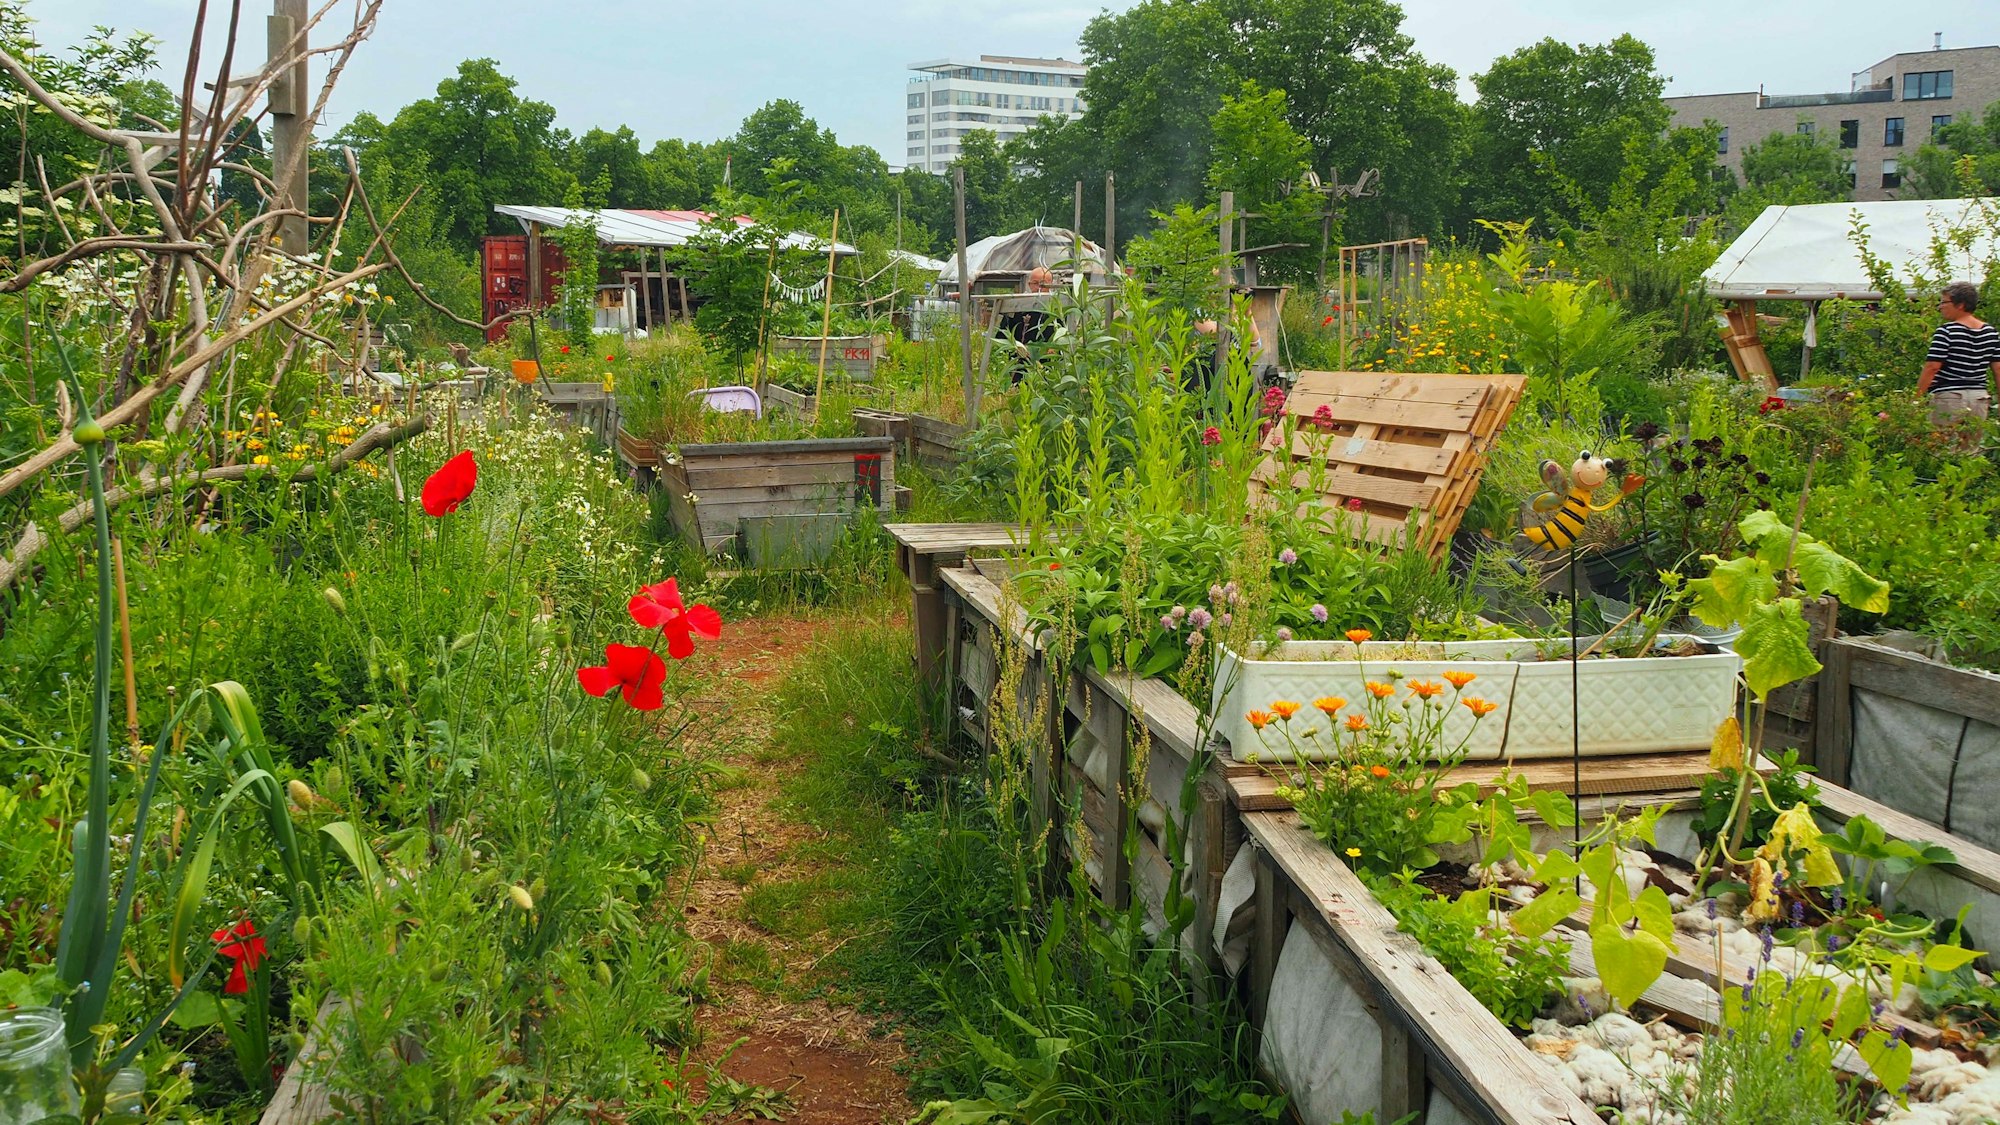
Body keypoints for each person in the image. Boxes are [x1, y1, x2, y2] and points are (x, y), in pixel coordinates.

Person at [1918, 281, 1999, 424]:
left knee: (1944, 444)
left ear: (1960, 304)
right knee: (1970, 444)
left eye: (1944, 302)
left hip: (1950, 396)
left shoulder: (1946, 331)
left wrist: (1915, 399)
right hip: (1979, 398)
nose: (1940, 307)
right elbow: (1998, 369)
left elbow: (1932, 367)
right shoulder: (1990, 332)